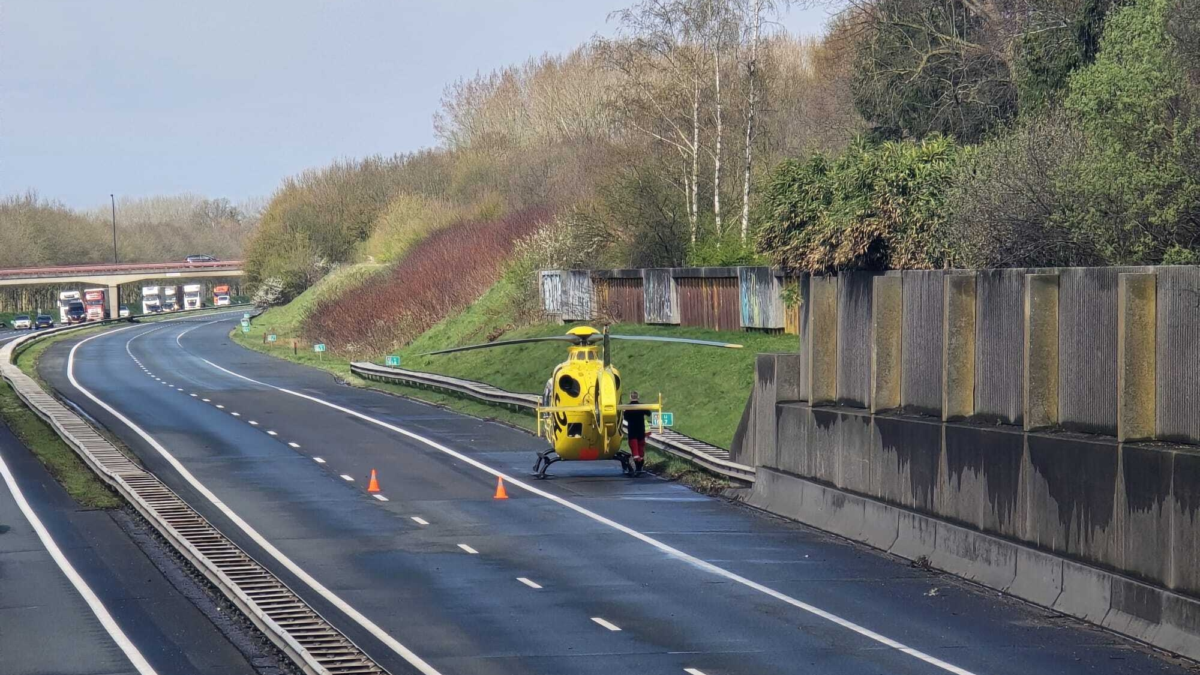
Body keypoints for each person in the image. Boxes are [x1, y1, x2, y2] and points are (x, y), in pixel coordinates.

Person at [622, 391, 651, 474]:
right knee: (641, 450)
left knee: (635, 452)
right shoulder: (641, 406)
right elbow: (649, 413)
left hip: (632, 432)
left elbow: (626, 417)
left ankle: (638, 468)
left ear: (630, 397)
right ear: (638, 397)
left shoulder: (627, 408)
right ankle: (640, 468)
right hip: (641, 431)